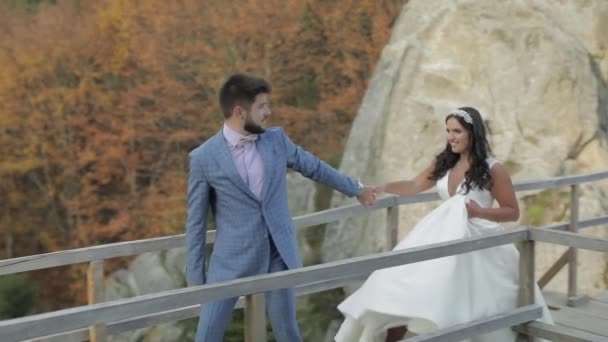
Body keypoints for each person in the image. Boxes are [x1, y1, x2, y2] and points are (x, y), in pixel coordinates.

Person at [334, 107, 553, 342]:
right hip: (441, 235)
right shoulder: (444, 162)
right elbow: (414, 185)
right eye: (448, 131)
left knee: (469, 304)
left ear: (473, 133)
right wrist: (384, 187)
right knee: (399, 284)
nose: (451, 136)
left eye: (457, 131)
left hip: (478, 242)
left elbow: (512, 211)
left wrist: (479, 211)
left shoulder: (494, 169)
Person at [185, 73, 377, 342]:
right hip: (229, 262)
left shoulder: (276, 140)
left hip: (278, 254)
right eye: (262, 106)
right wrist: (194, 276)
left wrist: (356, 189)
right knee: (207, 336)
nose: (268, 112)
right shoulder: (203, 158)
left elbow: (314, 167)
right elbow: (195, 222)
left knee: (288, 333)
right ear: (240, 112)